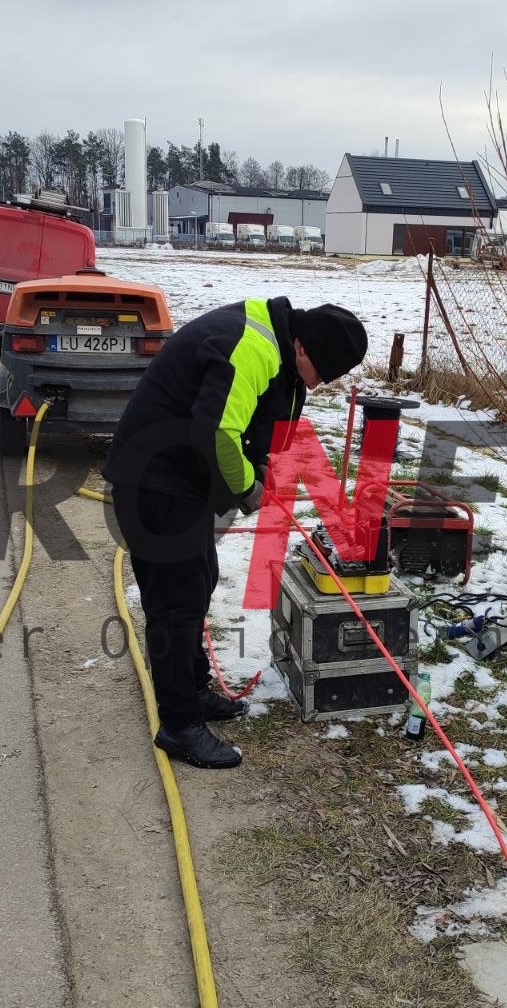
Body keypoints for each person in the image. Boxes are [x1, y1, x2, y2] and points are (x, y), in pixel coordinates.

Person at [103, 295, 368, 769]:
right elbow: (220, 434)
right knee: (176, 603)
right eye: (324, 374)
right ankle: (180, 726)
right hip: (155, 482)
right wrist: (249, 489)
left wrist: (268, 468)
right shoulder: (255, 345)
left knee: (199, 579)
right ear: (306, 351)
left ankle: (194, 690)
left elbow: (257, 425)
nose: (322, 384)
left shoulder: (276, 344)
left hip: (180, 479)